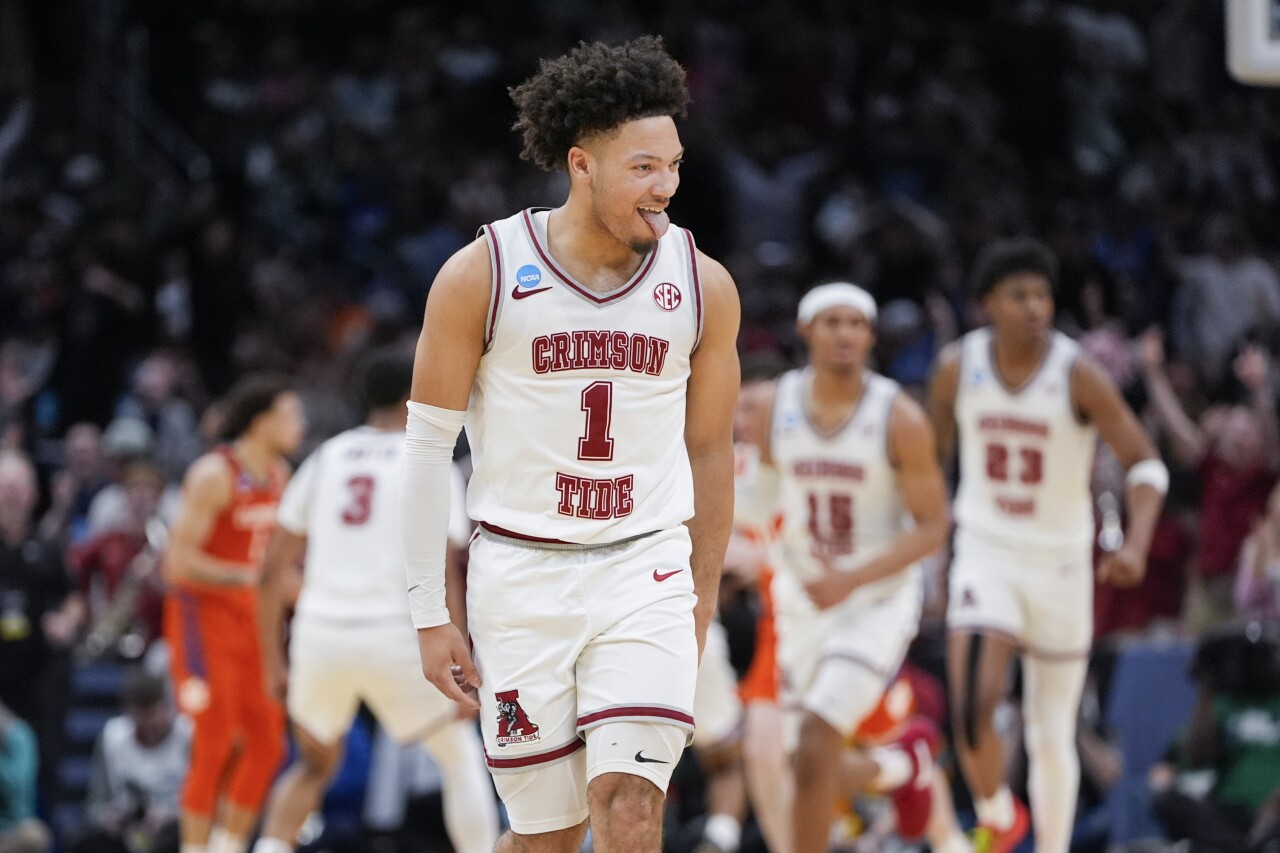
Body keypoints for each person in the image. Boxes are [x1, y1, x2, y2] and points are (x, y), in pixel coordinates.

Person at [402, 36, 740, 853]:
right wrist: (427, 613)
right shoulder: (481, 273)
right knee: (546, 836)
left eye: (675, 166)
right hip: (520, 572)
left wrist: (698, 598)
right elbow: (423, 454)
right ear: (582, 163)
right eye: (643, 168)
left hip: (644, 568)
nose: (665, 190)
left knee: (630, 804)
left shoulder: (703, 284)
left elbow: (710, 454)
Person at [928, 238, 1166, 853]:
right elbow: (928, 466)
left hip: (1062, 564)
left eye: (1042, 294)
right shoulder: (958, 366)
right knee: (973, 705)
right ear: (986, 306)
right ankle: (996, 813)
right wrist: (924, 559)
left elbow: (1146, 464)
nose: (1034, 306)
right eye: (1018, 295)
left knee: (1051, 731)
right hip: (986, 550)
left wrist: (1136, 543)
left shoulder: (1078, 372)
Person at [251, 351, 498, 853]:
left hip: (320, 636)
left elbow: (270, 571)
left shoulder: (326, 457)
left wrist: (273, 662)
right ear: (416, 394)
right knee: (457, 754)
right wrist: (463, 653)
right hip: (398, 635)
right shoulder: (426, 455)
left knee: (313, 766)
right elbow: (448, 568)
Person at [741, 283, 950, 852]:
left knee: (813, 740)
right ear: (807, 331)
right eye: (832, 322)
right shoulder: (773, 407)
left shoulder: (899, 416)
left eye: (856, 324)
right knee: (803, 762)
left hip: (875, 601)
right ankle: (903, 767)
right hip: (804, 598)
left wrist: (851, 580)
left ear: (871, 337)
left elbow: (934, 527)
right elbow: (760, 503)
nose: (845, 334)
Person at [161, 374, 304, 853]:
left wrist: (292, 589)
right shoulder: (214, 474)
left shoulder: (281, 476)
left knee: (268, 746)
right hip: (203, 625)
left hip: (252, 627)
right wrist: (250, 578)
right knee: (216, 744)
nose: (299, 424)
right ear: (261, 421)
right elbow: (178, 563)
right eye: (290, 414)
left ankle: (228, 846)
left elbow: (271, 567)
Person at [78, 669, 191, 853]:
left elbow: (209, 805)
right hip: (127, 833)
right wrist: (108, 818)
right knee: (84, 842)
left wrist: (170, 818)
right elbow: (94, 805)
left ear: (167, 706)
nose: (149, 724)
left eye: (153, 713)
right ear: (129, 713)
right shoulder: (113, 737)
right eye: (141, 716)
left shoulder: (187, 735)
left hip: (174, 829)